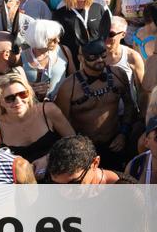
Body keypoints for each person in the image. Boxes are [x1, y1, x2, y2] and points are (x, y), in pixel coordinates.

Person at [54, 39, 140, 170]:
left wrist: (124, 133)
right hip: (84, 149)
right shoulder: (68, 87)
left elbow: (129, 104)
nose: (99, 60)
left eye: (103, 55)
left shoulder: (118, 75)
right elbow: (61, 123)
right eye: (93, 57)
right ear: (81, 58)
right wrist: (78, 147)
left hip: (115, 143)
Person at [0, 73, 74, 179]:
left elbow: (74, 141)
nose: (18, 101)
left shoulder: (48, 111)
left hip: (61, 177)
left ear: (29, 93)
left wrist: (48, 158)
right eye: (10, 98)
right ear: (0, 102)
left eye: (22, 94)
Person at [19, 18, 71, 100]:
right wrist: (28, 89)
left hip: (61, 106)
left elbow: (73, 77)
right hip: (33, 107)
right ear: (39, 39)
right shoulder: (20, 58)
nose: (58, 40)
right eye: (52, 39)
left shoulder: (64, 50)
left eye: (58, 37)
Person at [46, 135, 127, 184]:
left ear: (95, 163)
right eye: (56, 184)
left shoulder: (126, 193)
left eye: (74, 183)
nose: (65, 193)